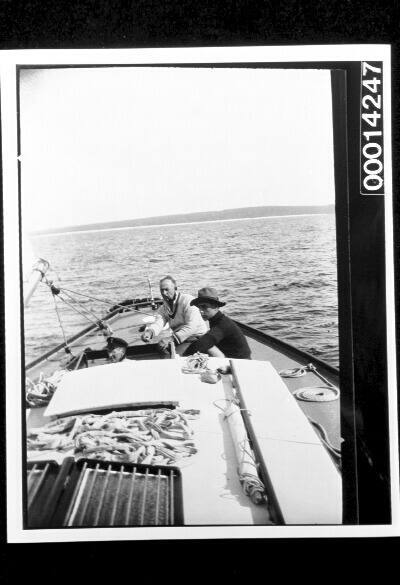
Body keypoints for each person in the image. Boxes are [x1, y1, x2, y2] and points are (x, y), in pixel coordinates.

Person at [141, 275, 207, 356]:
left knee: (169, 353)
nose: (164, 293)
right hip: (182, 338)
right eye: (162, 290)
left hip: (196, 337)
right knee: (161, 348)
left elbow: (192, 326)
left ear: (175, 288)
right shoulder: (164, 307)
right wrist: (149, 332)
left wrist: (171, 338)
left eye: (167, 289)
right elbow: (159, 322)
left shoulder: (188, 301)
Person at [183, 287, 251, 359]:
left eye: (204, 307)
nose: (201, 311)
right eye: (199, 307)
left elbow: (201, 344)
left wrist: (183, 357)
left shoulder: (223, 325)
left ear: (216, 307)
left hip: (240, 363)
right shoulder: (217, 320)